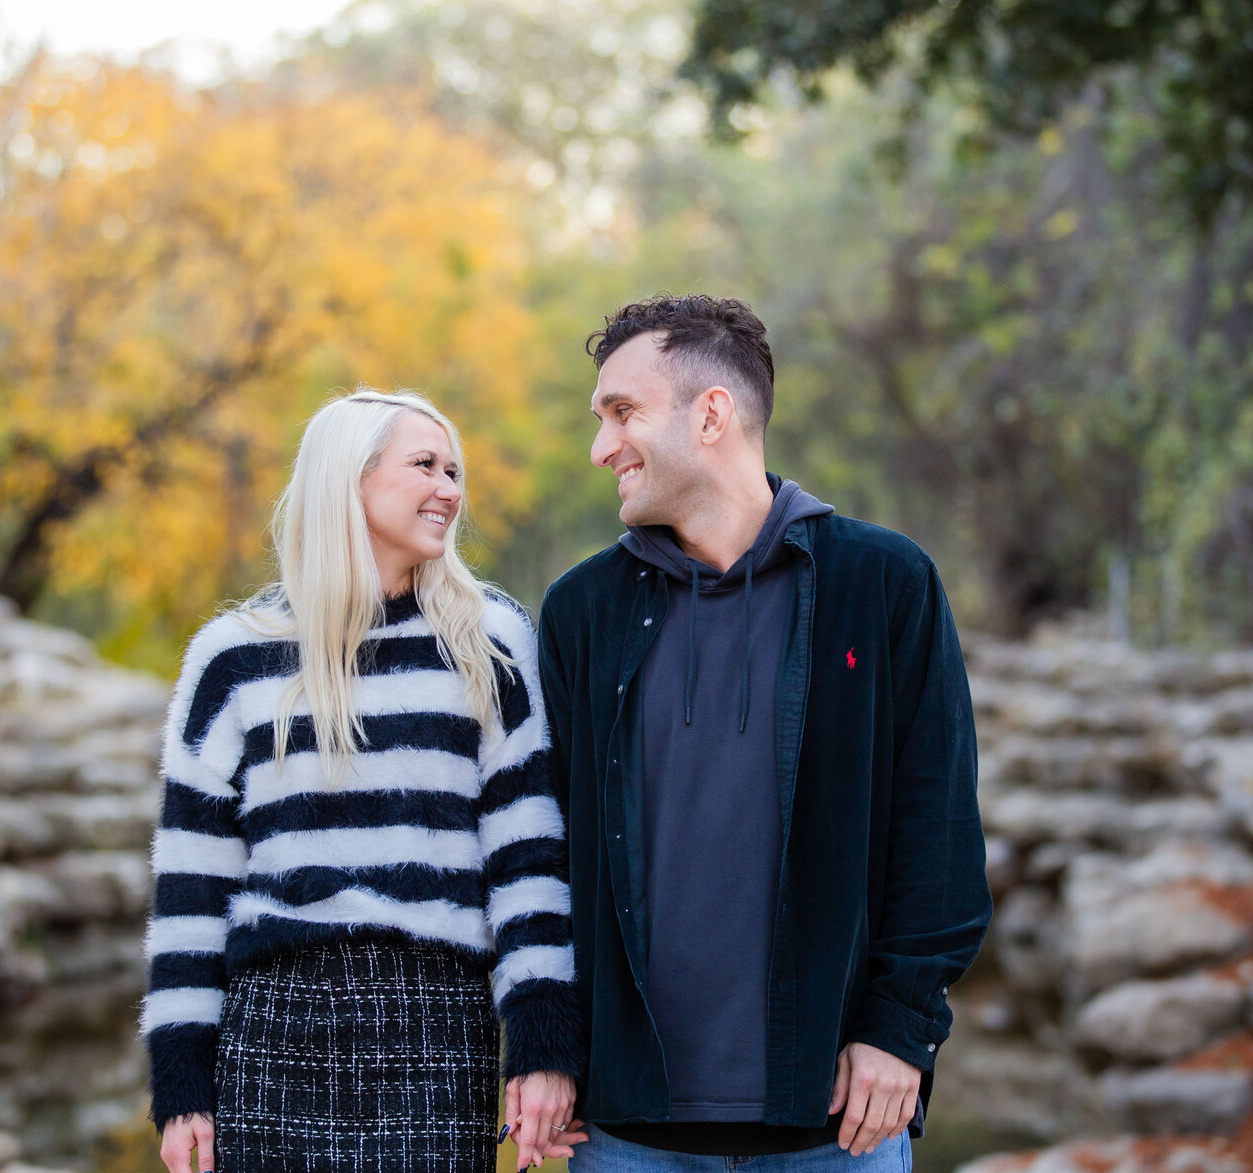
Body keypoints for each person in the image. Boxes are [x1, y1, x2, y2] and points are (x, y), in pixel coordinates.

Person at [536, 295, 993, 1170]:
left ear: (712, 414)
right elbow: (543, 855)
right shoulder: (581, 610)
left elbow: (937, 833)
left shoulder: (883, 582)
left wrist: (903, 1030)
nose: (600, 447)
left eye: (621, 412)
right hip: (627, 1129)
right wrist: (546, 1044)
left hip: (834, 1124)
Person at [140, 389, 585, 1173]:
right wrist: (181, 1089)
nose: (450, 488)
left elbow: (529, 864)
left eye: (455, 470)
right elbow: (189, 893)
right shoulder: (232, 658)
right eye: (425, 465)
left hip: (438, 1027)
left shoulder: (492, 642)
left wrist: (542, 1043)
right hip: (272, 1029)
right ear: (349, 476)